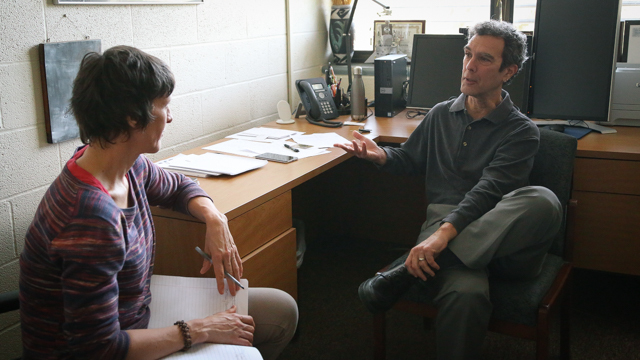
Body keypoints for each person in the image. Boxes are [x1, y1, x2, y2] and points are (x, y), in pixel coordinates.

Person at [19, 45, 298, 360]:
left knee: (281, 310)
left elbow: (179, 186)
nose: (171, 115)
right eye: (164, 105)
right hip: (103, 348)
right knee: (249, 351)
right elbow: (98, 349)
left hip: (137, 314)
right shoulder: (92, 218)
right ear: (131, 117)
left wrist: (214, 219)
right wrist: (202, 329)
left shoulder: (119, 163)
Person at [335, 20, 562, 359]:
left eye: (484, 59)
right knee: (466, 295)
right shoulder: (441, 114)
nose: (469, 66)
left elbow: (489, 191)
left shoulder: (522, 131)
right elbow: (410, 160)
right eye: (468, 54)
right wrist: (381, 155)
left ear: (508, 71)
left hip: (505, 245)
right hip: (441, 239)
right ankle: (437, 261)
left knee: (544, 201)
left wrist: (442, 238)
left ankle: (408, 273)